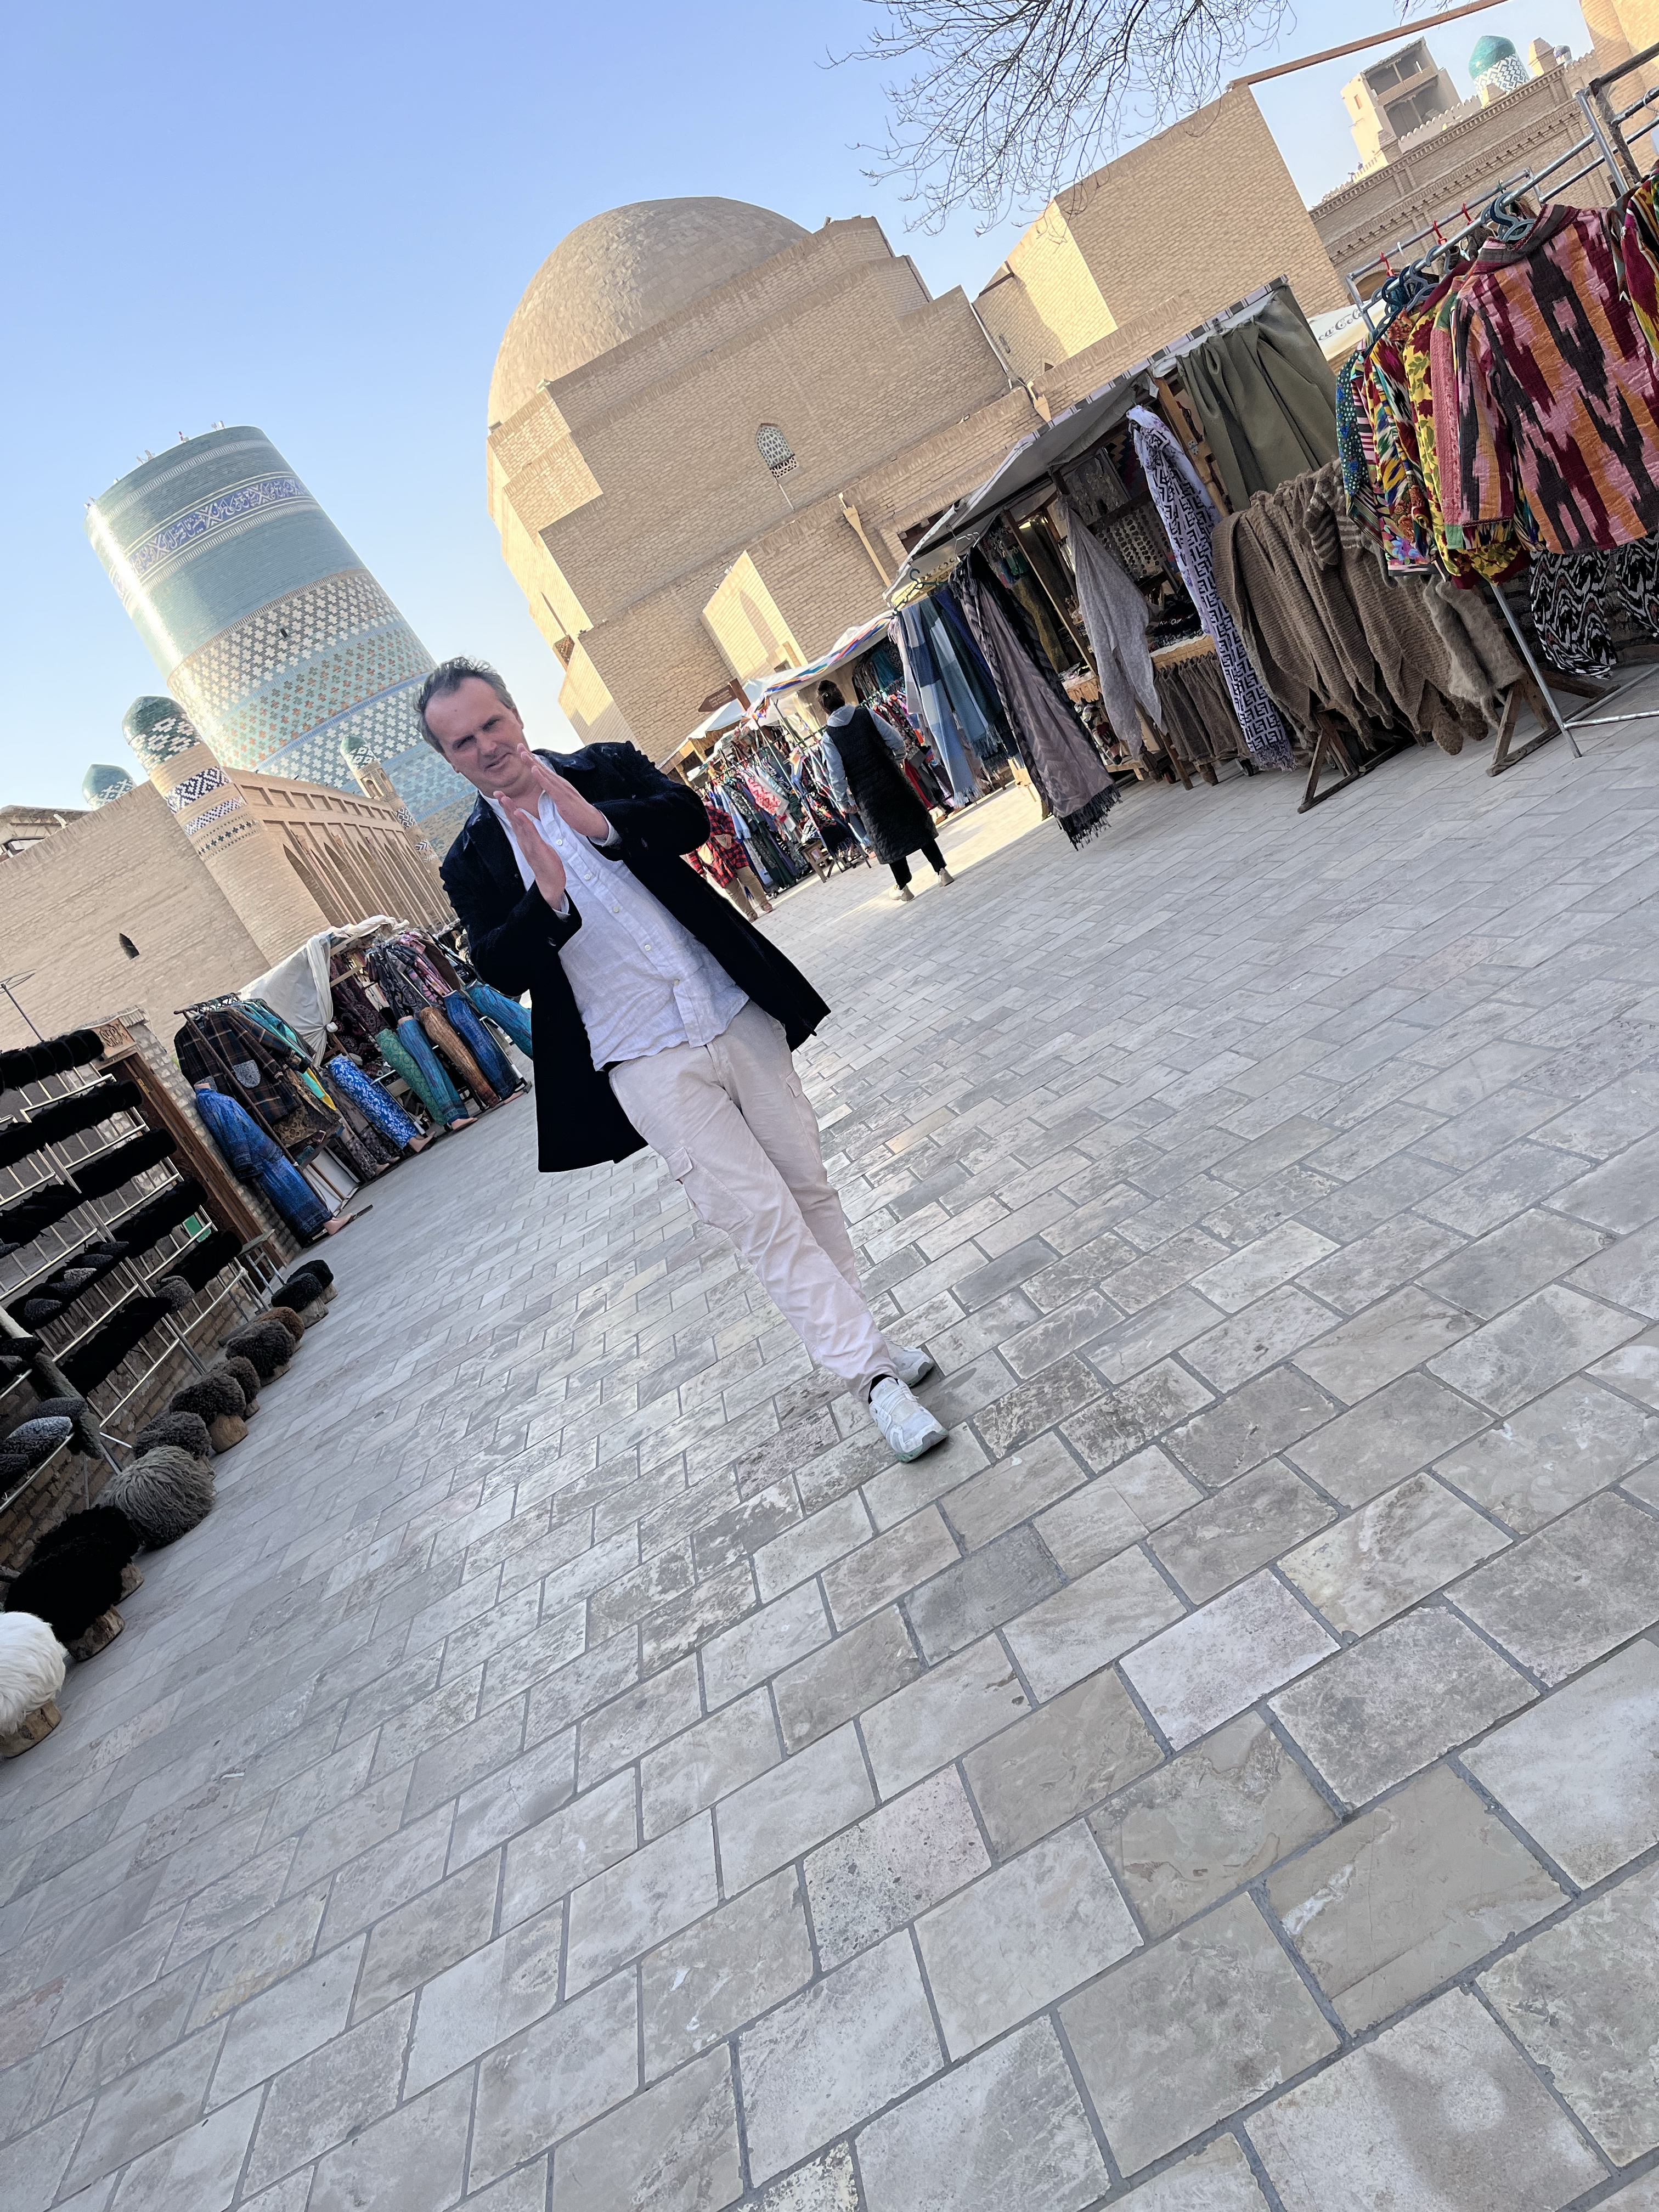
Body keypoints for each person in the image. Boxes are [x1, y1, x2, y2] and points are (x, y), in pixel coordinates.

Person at [421, 657, 947, 1463]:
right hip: (643, 1056)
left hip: (729, 1008)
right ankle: (874, 1380)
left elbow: (690, 819)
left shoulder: (602, 766)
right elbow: (499, 965)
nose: (486, 746)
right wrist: (546, 899)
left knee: (807, 1186)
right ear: (451, 761)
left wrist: (597, 824)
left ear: (515, 716)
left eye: (492, 723)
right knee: (760, 1217)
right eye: (463, 742)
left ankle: (864, 1346)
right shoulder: (470, 860)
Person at [815, 681, 954, 904]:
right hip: (893, 780)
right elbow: (896, 740)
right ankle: (941, 871)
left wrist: (843, 801)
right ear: (841, 696)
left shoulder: (829, 737)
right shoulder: (866, 714)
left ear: (824, 708)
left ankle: (903, 886)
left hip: (867, 796)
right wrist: (897, 760)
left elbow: (836, 775)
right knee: (915, 823)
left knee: (887, 837)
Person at [686, 801, 774, 919]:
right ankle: (750, 914)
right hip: (714, 863)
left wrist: (729, 833)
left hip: (731, 849)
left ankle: (764, 904)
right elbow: (690, 852)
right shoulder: (683, 827)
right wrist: (700, 871)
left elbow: (726, 818)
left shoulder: (707, 810)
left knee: (749, 877)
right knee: (733, 890)